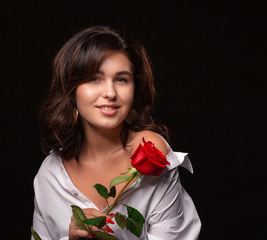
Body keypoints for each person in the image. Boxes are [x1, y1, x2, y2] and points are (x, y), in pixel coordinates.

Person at [32, 25, 201, 239]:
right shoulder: (51, 175)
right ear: (71, 89)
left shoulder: (153, 156)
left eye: (121, 79)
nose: (110, 93)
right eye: (95, 78)